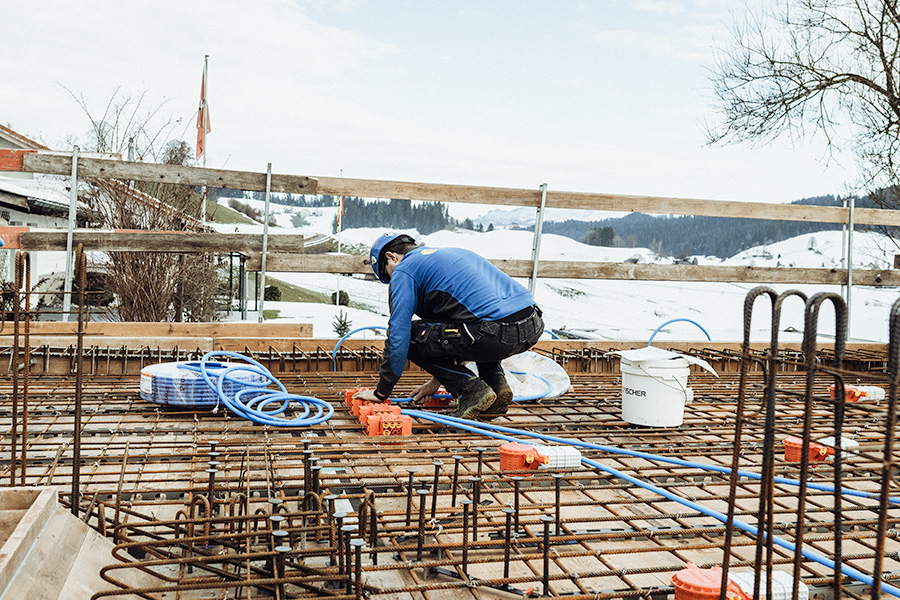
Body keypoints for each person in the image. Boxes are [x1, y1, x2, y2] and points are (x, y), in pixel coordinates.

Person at [353, 231, 543, 420]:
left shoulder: (404, 269)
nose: (393, 281)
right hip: (531, 326)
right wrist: (438, 381)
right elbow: (457, 330)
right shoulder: (449, 255)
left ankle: (471, 391)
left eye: (388, 274)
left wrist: (381, 393)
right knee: (476, 326)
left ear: (391, 257)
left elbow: (398, 335)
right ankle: (496, 385)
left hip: (493, 334)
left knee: (410, 336)